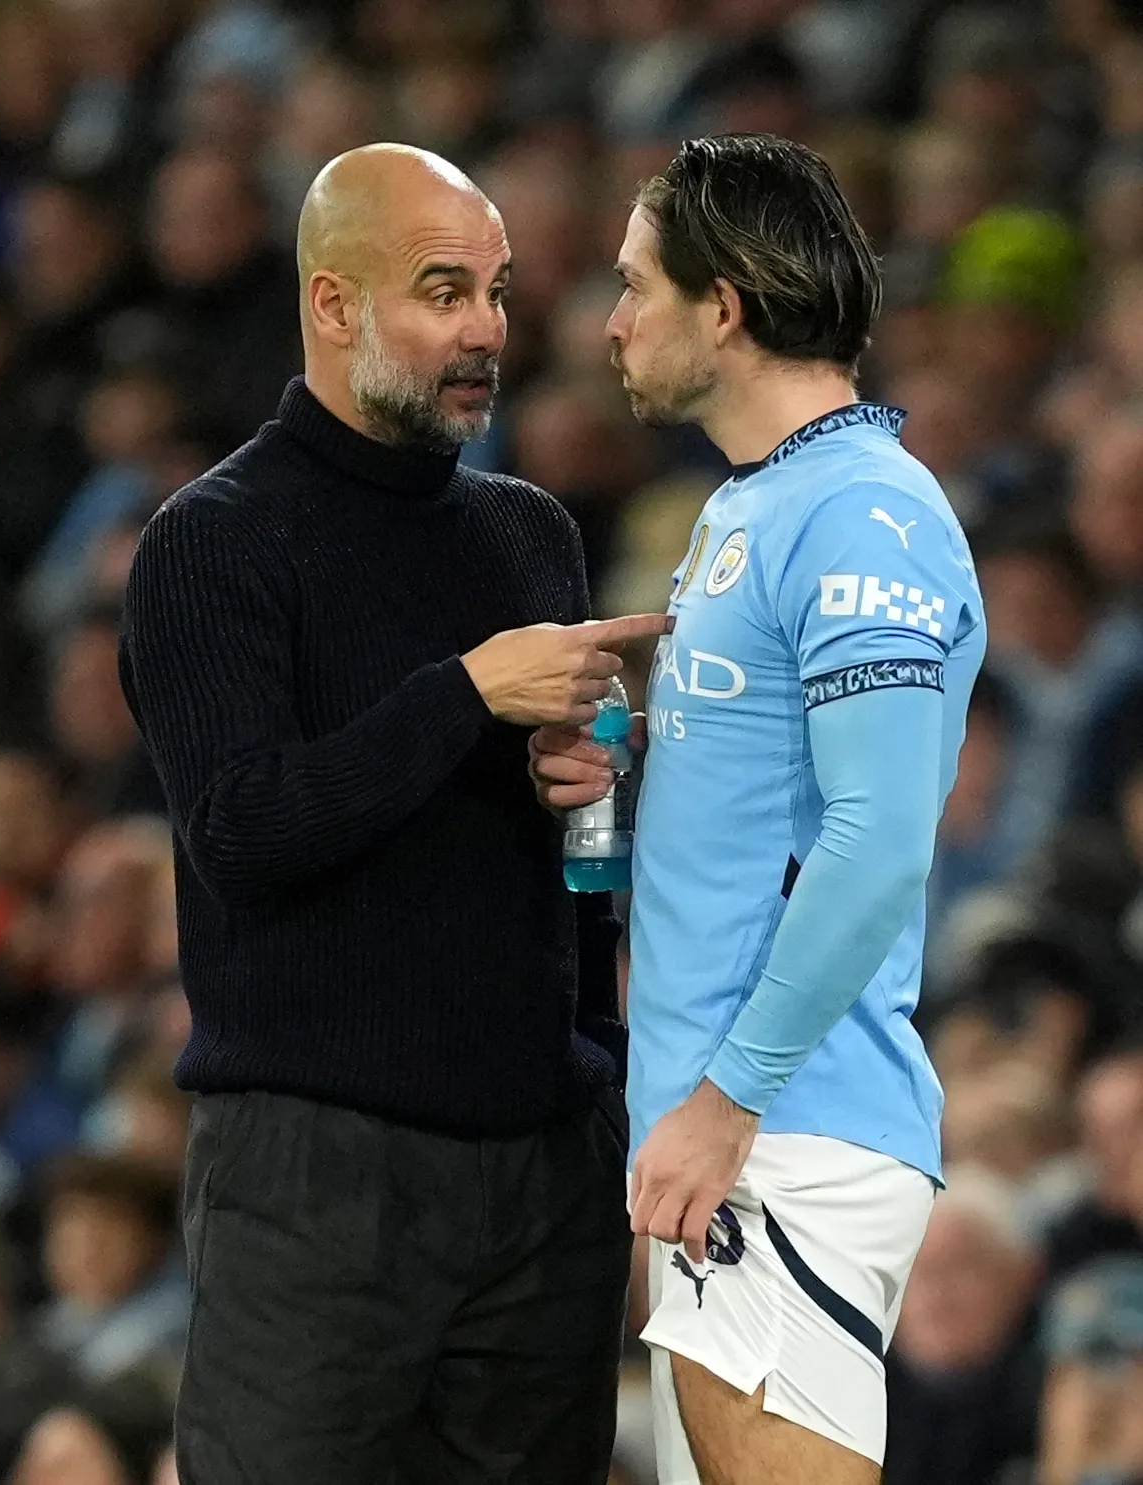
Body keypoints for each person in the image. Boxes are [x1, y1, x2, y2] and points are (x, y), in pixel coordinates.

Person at [118, 142, 672, 1485]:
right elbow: (245, 833)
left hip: (545, 1166)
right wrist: (462, 696)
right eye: (440, 292)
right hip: (319, 1179)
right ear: (331, 306)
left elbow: (584, 880)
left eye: (493, 290)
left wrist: (597, 792)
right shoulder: (215, 540)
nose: (483, 328)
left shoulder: (529, 532)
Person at [531, 133, 987, 1485]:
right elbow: (765, 823)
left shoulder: (863, 518)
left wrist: (727, 1103)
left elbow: (873, 844)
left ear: (720, 306)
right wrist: (616, 773)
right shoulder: (754, 505)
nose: (608, 321)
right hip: (724, 1139)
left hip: (779, 1133)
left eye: (633, 285)